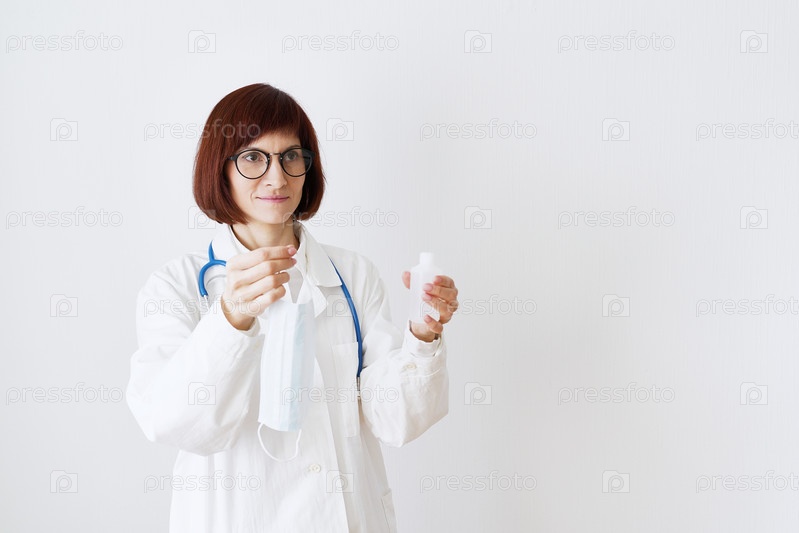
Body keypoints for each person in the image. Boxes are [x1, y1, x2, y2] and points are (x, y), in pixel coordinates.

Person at [126, 83, 459, 532]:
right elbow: (176, 423)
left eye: (291, 157)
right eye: (253, 157)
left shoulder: (352, 275)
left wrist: (423, 334)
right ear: (219, 168)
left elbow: (394, 420)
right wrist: (231, 319)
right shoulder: (176, 287)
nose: (277, 177)